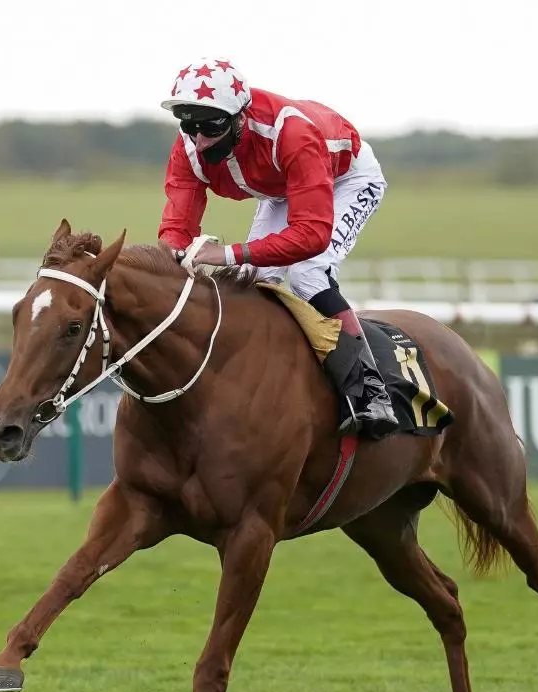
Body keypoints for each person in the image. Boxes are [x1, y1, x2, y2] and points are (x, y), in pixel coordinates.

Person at [156, 57, 398, 439]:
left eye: (211, 126)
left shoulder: (293, 134)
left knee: (307, 273)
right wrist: (169, 259)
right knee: (253, 278)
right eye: (189, 125)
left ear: (240, 118)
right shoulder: (189, 147)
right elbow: (176, 228)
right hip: (284, 186)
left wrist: (228, 253)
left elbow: (311, 235)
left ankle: (371, 389)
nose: (199, 139)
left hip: (344, 177)